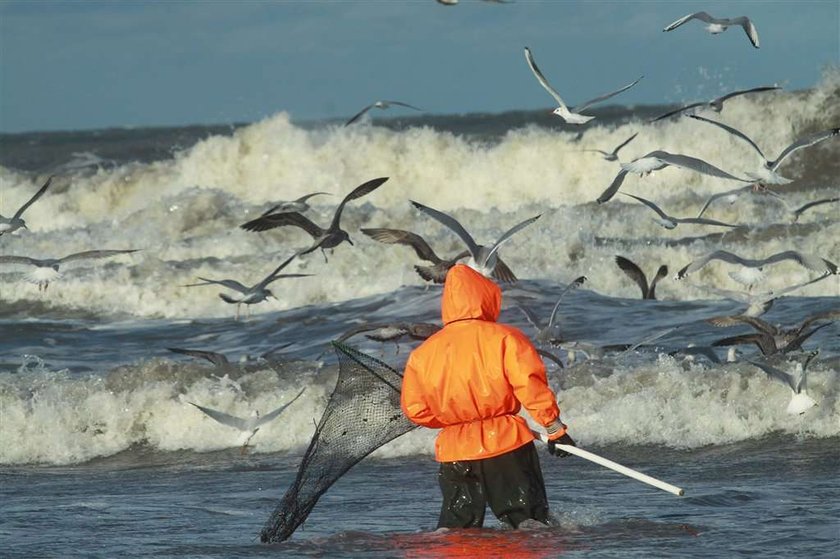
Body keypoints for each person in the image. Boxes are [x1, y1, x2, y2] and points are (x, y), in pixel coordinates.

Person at [401, 263, 575, 529]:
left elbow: (415, 409)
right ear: (486, 297)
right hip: (504, 443)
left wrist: (458, 421)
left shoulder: (423, 353)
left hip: (454, 450)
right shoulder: (505, 338)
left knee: (457, 530)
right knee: (527, 523)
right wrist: (554, 428)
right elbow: (529, 386)